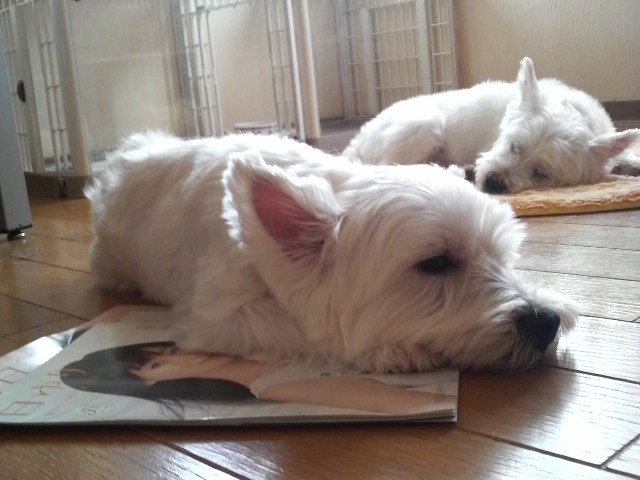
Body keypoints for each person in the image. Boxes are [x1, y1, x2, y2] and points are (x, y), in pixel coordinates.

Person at [60, 341, 454, 417]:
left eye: (168, 350)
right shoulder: (276, 386)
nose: (182, 355)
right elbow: (410, 404)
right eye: (159, 365)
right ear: (155, 384)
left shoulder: (260, 341)